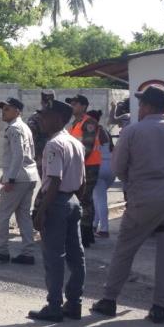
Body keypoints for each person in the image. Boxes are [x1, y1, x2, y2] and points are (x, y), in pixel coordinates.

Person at [90, 84, 164, 324]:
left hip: (143, 198)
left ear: (147, 106)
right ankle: (159, 307)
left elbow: (118, 168)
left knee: (125, 249)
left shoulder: (132, 131)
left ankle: (109, 300)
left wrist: (132, 183)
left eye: (141, 104)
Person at [28, 99, 86, 322]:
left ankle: (54, 306)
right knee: (76, 256)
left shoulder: (54, 145)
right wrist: (75, 201)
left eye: (46, 115)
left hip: (56, 202)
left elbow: (53, 180)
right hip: (72, 200)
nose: (41, 119)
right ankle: (74, 303)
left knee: (54, 256)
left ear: (60, 119)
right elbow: (81, 182)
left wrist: (42, 211)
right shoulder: (75, 143)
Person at [0, 97, 40, 265]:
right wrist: (7, 174)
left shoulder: (14, 128)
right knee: (23, 216)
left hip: (19, 178)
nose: (3, 111)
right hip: (29, 175)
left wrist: (11, 178)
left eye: (7, 109)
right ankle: (28, 252)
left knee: (2, 214)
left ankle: (1, 251)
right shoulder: (24, 127)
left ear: (17, 111)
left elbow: (18, 154)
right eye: (3, 108)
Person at [65, 94, 103, 248]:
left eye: (74, 104)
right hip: (80, 165)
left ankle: (86, 234)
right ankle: (84, 232)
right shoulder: (76, 123)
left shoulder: (89, 122)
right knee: (82, 198)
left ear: (83, 106)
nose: (71, 106)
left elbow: (86, 148)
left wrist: (74, 163)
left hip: (89, 165)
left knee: (85, 198)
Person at [87, 109, 115, 238]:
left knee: (99, 199)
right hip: (110, 166)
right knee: (98, 199)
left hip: (98, 166)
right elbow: (112, 149)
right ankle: (95, 224)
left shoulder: (91, 131)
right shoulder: (105, 131)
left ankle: (104, 229)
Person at [27, 90, 55, 177]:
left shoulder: (35, 117)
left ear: (41, 102)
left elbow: (30, 138)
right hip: (54, 154)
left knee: (46, 182)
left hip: (42, 155)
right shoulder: (59, 116)